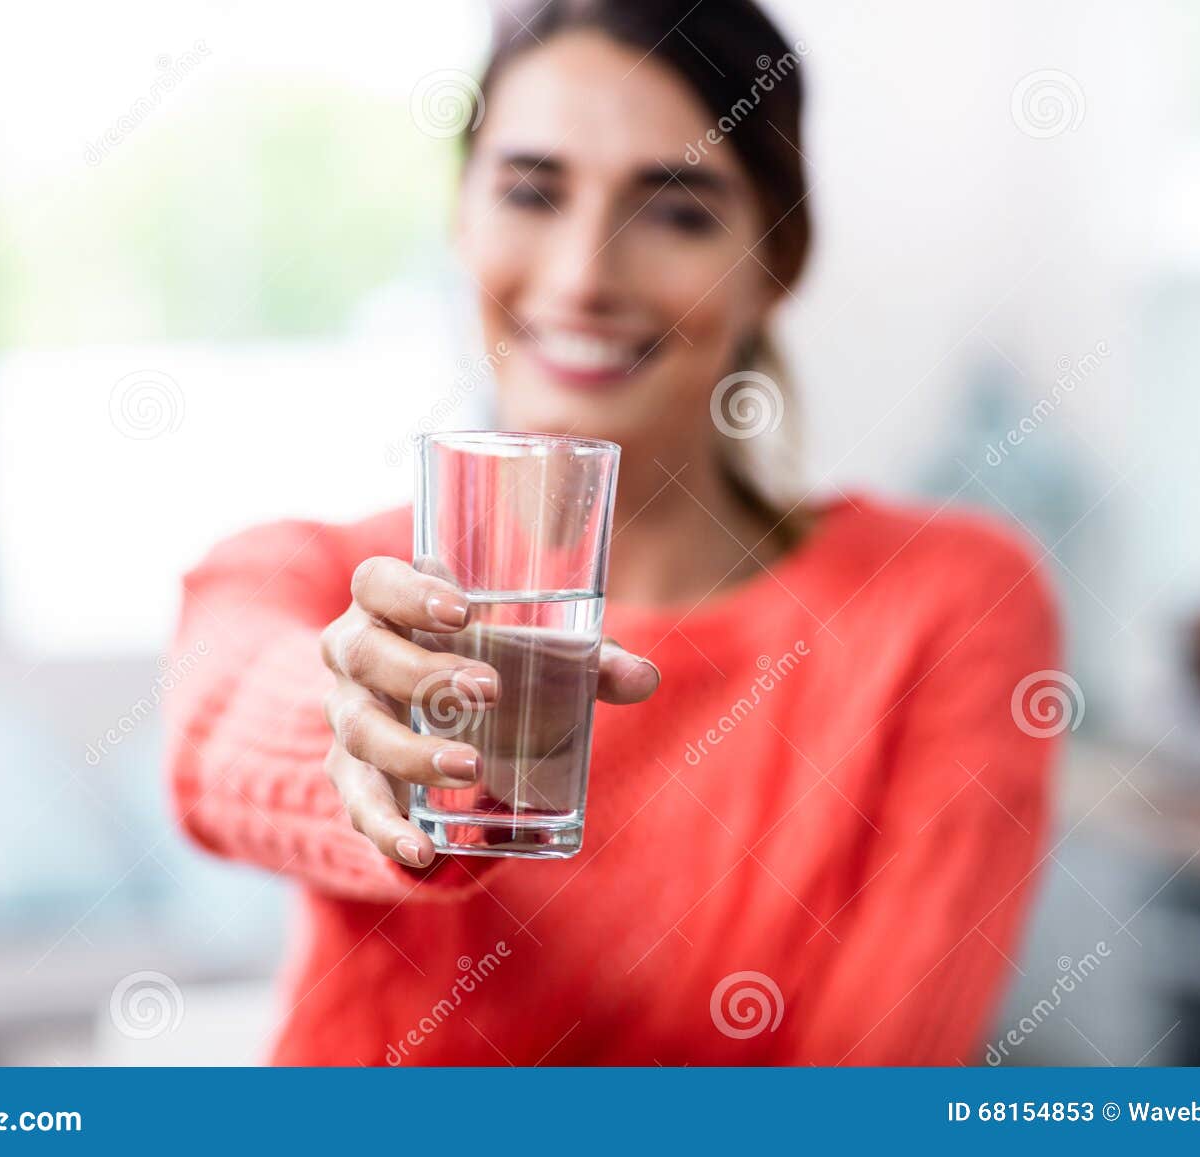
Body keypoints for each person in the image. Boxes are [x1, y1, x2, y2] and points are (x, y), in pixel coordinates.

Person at [165, 0, 1060, 1065]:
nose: (585, 274)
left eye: (676, 210)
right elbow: (221, 723)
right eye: (531, 192)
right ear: (460, 216)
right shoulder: (318, 579)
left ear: (776, 261)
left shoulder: (948, 602)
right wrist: (362, 727)